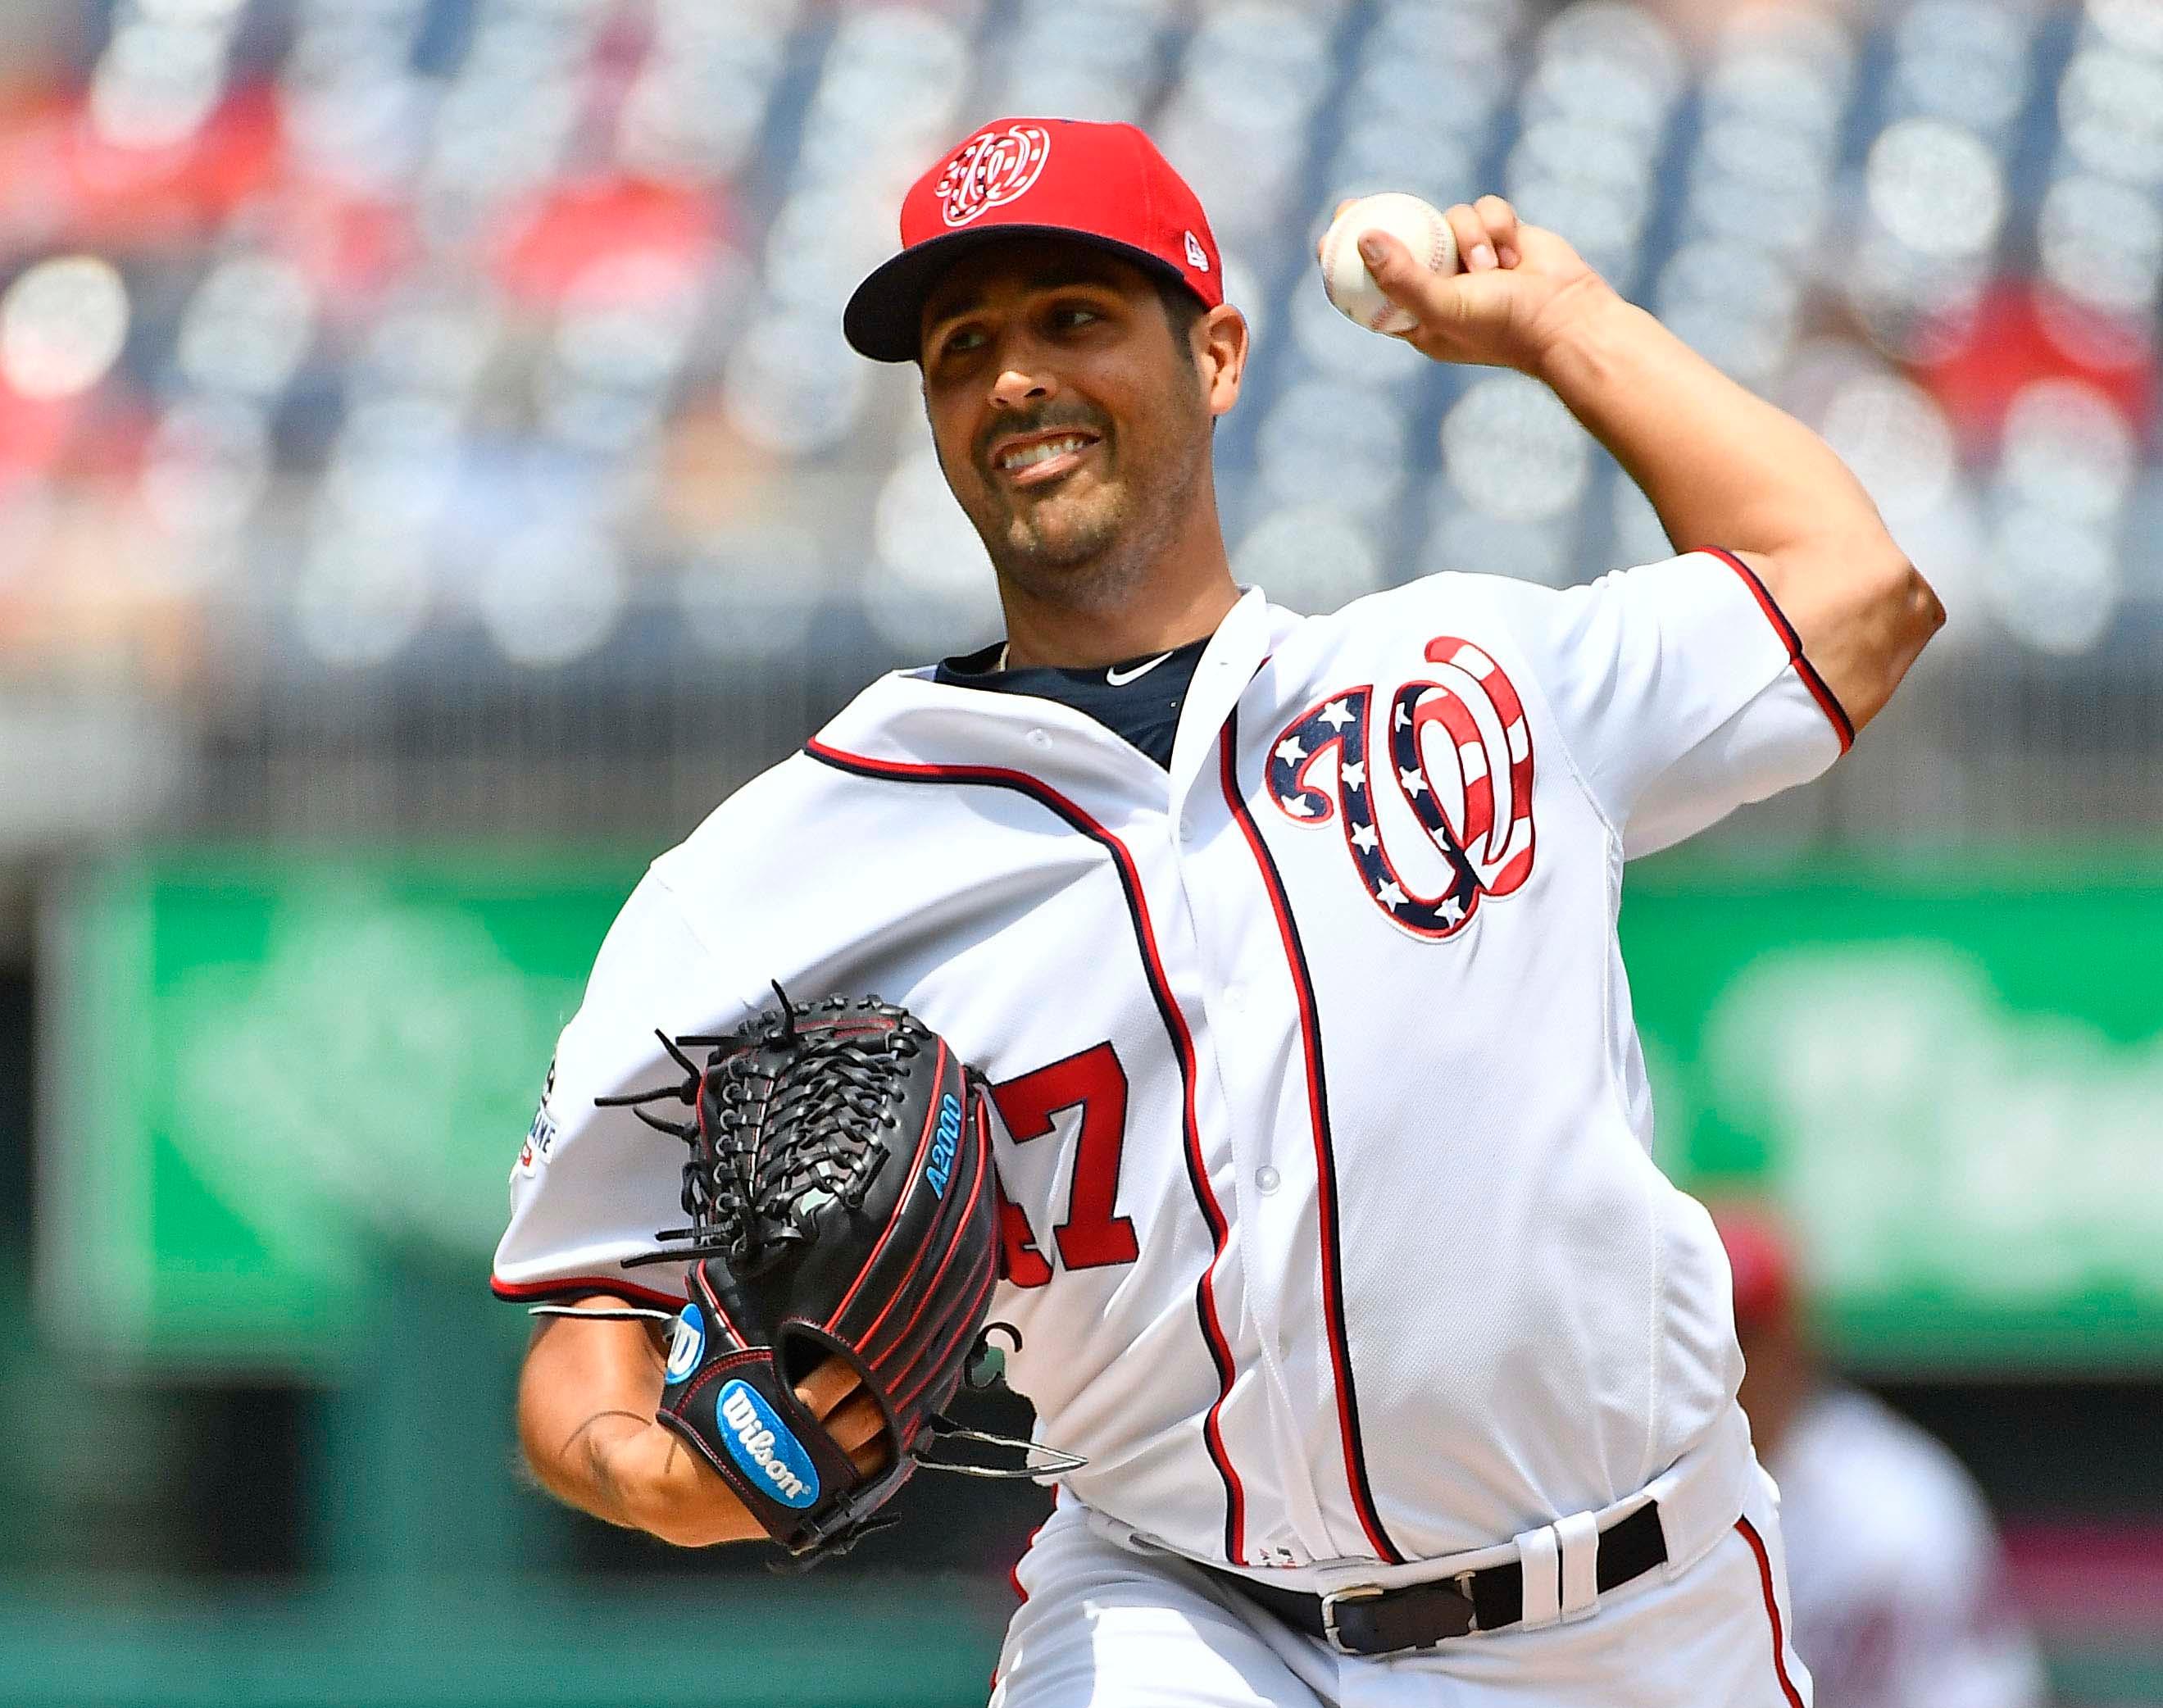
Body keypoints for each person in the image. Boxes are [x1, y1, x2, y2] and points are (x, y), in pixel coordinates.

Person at [496, 116, 1943, 1706]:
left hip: (1633, 1611)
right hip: (1177, 1620)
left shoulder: (1468, 678)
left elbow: (1854, 592)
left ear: (1216, 356)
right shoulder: (784, 867)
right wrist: (651, 1472)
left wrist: (1559, 326)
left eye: (1071, 318)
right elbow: (591, 1320)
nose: (1014, 379)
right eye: (960, 347)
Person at [1717, 1206, 2049, 1708]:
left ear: (1791, 1344)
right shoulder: (1636, 1491)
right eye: (1708, 1335)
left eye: (1747, 1338)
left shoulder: (1894, 1515)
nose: (1727, 1363)